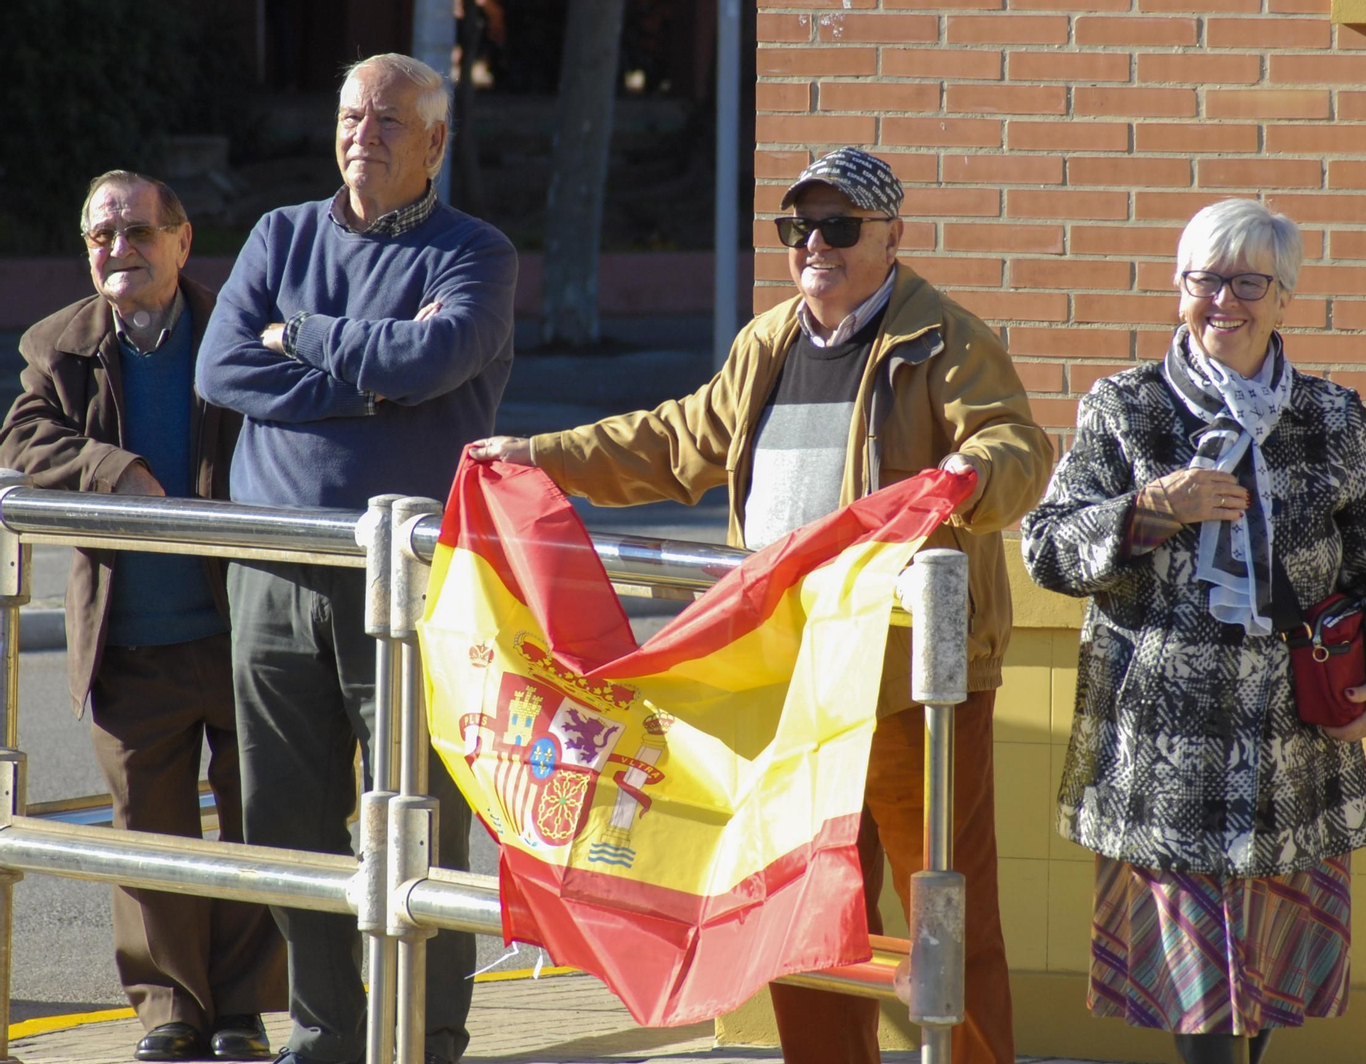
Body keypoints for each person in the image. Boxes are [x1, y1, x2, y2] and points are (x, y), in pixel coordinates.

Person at [469, 146, 1051, 1064]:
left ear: (893, 236)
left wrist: (971, 477)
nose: (815, 243)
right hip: (789, 687)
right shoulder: (767, 341)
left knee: (949, 911)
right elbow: (676, 441)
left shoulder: (944, 339)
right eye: (799, 226)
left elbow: (1017, 443)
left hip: (910, 683)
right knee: (801, 909)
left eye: (840, 225)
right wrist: (541, 456)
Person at [1020, 198, 1366, 1064]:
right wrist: (1148, 509)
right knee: (1201, 1009)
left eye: (1249, 281)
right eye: (1205, 279)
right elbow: (1048, 551)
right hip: (1165, 755)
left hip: (1293, 754)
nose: (1226, 300)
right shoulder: (1128, 409)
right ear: (1179, 289)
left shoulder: (1327, 420)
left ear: (1284, 298)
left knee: (1256, 1003)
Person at [195, 53, 517, 1064]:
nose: (361, 134)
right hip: (275, 568)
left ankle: (424, 1034)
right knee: (287, 814)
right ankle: (328, 1033)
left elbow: (437, 359)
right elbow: (221, 366)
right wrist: (368, 380)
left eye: (386, 121)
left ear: (435, 143)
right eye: (349, 116)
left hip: (412, 579)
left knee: (418, 814)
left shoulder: (476, 251)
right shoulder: (279, 233)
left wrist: (305, 336)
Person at [0, 171, 286, 1062]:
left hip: (240, 626)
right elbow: (20, 437)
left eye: (137, 233)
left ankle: (239, 1011)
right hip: (128, 642)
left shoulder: (236, 328)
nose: (118, 250)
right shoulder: (59, 343)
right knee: (149, 836)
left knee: (255, 823)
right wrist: (104, 466)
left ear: (181, 241)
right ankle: (170, 1010)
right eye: (100, 237)